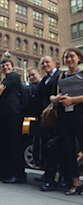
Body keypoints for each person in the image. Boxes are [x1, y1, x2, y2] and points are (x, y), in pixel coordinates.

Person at [50, 48, 83, 195]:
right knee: (68, 151)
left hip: (80, 115)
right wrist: (56, 99)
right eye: (66, 57)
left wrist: (72, 100)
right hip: (64, 118)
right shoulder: (61, 76)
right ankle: (76, 183)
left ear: (79, 58)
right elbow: (51, 96)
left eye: (72, 56)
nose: (69, 60)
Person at [35, 56, 63, 191]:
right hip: (47, 117)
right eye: (43, 63)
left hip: (58, 118)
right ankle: (47, 174)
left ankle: (56, 178)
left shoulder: (60, 75)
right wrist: (42, 116)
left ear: (54, 63)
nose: (45, 65)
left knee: (55, 147)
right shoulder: (44, 80)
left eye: (47, 62)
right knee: (46, 146)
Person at [0, 59, 25, 184]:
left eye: (7, 65)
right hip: (7, 115)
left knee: (15, 144)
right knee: (9, 144)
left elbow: (1, 88)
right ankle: (13, 172)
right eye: (3, 66)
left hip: (14, 114)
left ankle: (18, 174)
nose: (5, 68)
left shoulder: (14, 76)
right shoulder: (6, 79)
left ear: (12, 67)